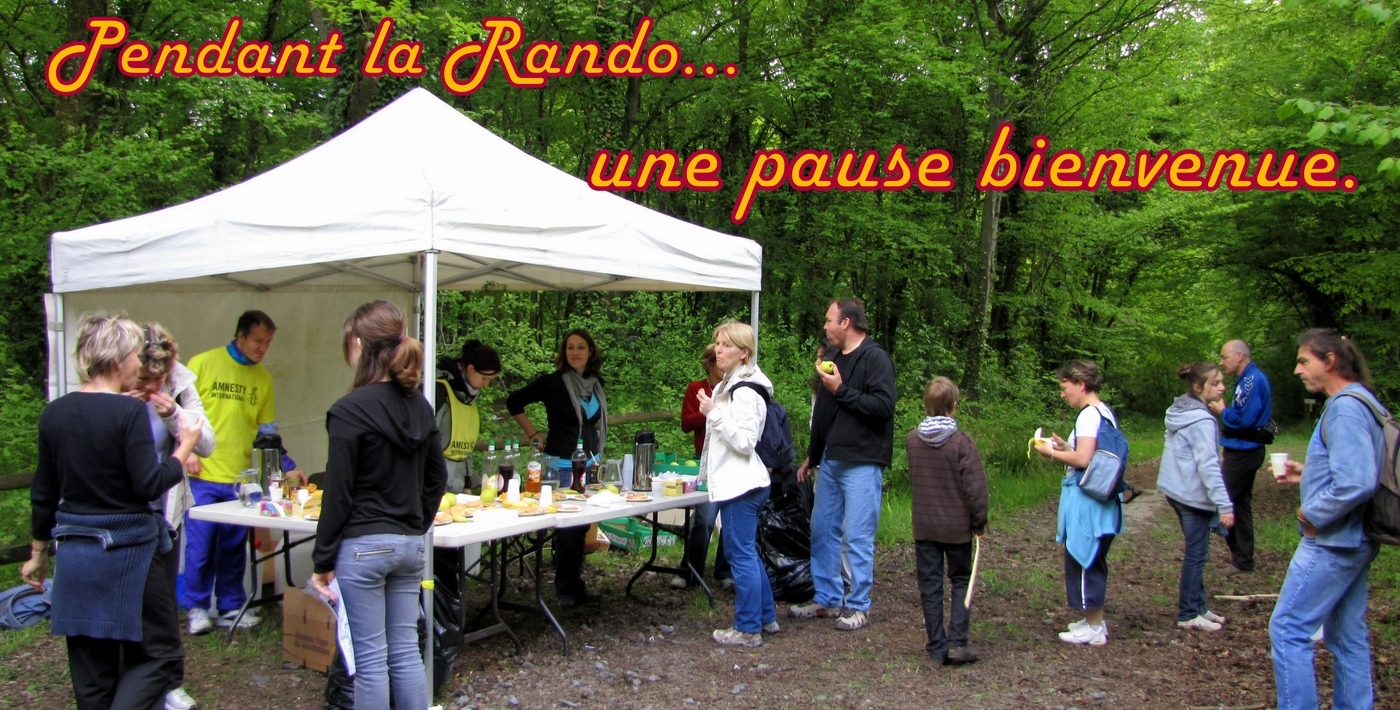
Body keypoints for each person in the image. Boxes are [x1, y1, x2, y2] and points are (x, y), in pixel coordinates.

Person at [23, 313, 200, 710]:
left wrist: (38, 551)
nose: (140, 364)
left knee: (92, 670)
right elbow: (150, 484)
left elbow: (44, 492)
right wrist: (185, 446)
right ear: (118, 361)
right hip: (128, 554)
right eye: (136, 355)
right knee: (159, 655)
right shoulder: (127, 413)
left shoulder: (54, 413)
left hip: (76, 556)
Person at [308, 301, 447, 710]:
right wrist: (415, 524)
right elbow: (437, 477)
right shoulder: (420, 406)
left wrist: (322, 561)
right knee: (405, 652)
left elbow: (338, 492)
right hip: (409, 545)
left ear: (357, 344)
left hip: (363, 547)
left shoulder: (348, 410)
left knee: (370, 661)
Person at [1269, 329, 1384, 710]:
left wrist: (1310, 512)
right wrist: (1310, 474)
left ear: (1330, 361)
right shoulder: (1363, 400)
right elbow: (1356, 467)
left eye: (1304, 361)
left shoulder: (1345, 407)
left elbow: (1358, 481)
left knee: (1288, 629)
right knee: (1347, 635)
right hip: (1357, 538)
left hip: (1334, 541)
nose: (1297, 370)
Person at [182, 310, 297, 634]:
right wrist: (185, 451)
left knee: (234, 546)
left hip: (240, 478)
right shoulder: (202, 364)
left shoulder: (263, 378)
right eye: (258, 340)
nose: (263, 348)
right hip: (203, 474)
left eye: (268, 342)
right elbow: (178, 413)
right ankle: (196, 608)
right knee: (200, 547)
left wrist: (288, 466)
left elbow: (268, 433)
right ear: (241, 336)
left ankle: (230, 606)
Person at [790, 298, 896, 631]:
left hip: (862, 460)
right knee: (822, 530)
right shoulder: (833, 358)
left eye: (829, 320)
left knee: (857, 536)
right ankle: (827, 597)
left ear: (846, 323)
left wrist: (841, 390)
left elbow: (883, 407)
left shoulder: (874, 358)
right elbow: (823, 412)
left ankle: (859, 604)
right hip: (831, 460)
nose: (825, 326)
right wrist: (813, 453)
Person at [128, 323, 216, 710]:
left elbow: (207, 443)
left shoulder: (180, 384)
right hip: (123, 512)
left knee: (163, 604)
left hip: (165, 511)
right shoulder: (114, 387)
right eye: (143, 379)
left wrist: (174, 414)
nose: (151, 387)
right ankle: (131, 678)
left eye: (157, 379)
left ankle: (170, 683)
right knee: (132, 603)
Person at [506, 329, 607, 606]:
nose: (575, 352)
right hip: (562, 465)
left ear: (590, 352)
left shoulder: (596, 383)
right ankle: (566, 591)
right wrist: (533, 433)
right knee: (568, 528)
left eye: (580, 347)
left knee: (582, 525)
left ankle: (575, 583)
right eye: (570, 347)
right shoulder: (553, 382)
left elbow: (592, 422)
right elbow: (514, 401)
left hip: (590, 464)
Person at [699, 322, 781, 646]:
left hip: (741, 486)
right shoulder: (734, 384)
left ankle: (747, 629)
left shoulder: (745, 391)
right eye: (718, 343)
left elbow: (746, 442)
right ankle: (766, 617)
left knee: (739, 555)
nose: (719, 350)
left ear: (744, 353)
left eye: (727, 345)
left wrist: (713, 413)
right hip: (744, 482)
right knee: (747, 553)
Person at [1034, 359, 1123, 646]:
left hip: (1088, 502)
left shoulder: (1087, 415)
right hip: (1102, 500)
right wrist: (1066, 447)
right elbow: (1090, 453)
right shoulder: (1103, 411)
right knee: (1092, 557)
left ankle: (1094, 627)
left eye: (1065, 387)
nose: (1062, 394)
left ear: (1081, 384)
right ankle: (1092, 619)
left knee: (1086, 558)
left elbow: (1083, 460)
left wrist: (1050, 453)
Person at [907, 376, 988, 666]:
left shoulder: (912, 440)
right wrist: (979, 523)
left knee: (930, 584)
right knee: (961, 580)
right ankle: (957, 642)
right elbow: (975, 489)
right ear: (954, 406)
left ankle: (936, 645)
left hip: (925, 525)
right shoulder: (962, 443)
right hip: (956, 528)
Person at [1157, 362, 1235, 632]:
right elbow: (1208, 465)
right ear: (1199, 387)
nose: (1222, 387)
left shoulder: (1181, 410)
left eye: (1223, 382)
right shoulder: (1201, 420)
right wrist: (1224, 505)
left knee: (1198, 550)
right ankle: (1188, 613)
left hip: (1176, 490)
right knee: (1197, 553)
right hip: (1190, 495)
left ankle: (1199, 606)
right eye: (1216, 383)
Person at [673, 344, 732, 591]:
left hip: (731, 458)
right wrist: (708, 411)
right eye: (717, 361)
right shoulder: (696, 389)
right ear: (708, 364)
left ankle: (724, 572)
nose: (723, 366)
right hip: (705, 458)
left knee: (730, 519)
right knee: (705, 518)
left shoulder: (734, 388)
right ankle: (689, 570)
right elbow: (686, 423)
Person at [1212, 339, 1273, 574]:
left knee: (1224, 501)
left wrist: (1222, 411)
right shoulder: (1245, 380)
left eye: (1224, 357)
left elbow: (1244, 419)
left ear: (1239, 356)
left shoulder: (1252, 380)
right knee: (1240, 504)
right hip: (1242, 448)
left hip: (1244, 451)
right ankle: (1243, 559)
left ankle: (1239, 557)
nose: (1221, 362)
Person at [434, 339, 502, 493]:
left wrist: (467, 485)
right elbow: (424, 443)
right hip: (433, 490)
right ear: (470, 369)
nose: (486, 385)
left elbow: (464, 448)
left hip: (455, 489)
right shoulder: (439, 392)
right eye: (484, 378)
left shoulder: (468, 399)